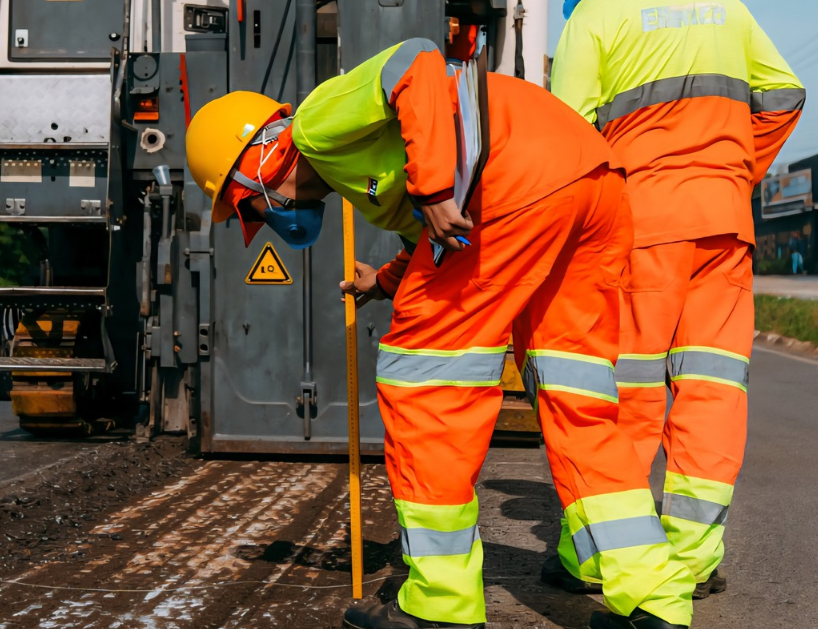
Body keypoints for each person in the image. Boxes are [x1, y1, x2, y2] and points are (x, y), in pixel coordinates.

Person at [185, 39, 695, 629]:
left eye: (249, 206)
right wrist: (385, 279)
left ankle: (441, 607)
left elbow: (416, 62)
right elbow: (432, 238)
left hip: (511, 187)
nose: (265, 219)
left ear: (259, 159)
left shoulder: (317, 122)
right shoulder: (358, 169)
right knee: (575, 397)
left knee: (422, 382)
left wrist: (430, 190)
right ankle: (653, 599)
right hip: (588, 182)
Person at [537, 0, 806, 614]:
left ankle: (600, 561)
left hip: (639, 230)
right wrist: (730, 173)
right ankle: (691, 559)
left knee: (625, 396)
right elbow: (783, 93)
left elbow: (566, 142)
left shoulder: (594, 19)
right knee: (714, 393)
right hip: (725, 227)